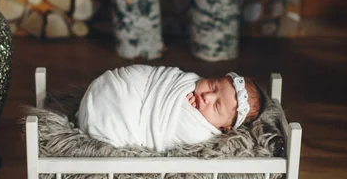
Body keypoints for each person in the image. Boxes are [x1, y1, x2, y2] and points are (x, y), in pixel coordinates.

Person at [76, 65, 264, 152]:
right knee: (120, 87)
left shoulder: (200, 133)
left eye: (216, 105)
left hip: (130, 112)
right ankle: (99, 102)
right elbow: (168, 79)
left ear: (225, 128)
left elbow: (176, 134)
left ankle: (98, 117)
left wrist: (185, 109)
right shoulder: (190, 81)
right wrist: (183, 92)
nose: (207, 96)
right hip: (125, 86)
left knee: (115, 112)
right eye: (213, 85)